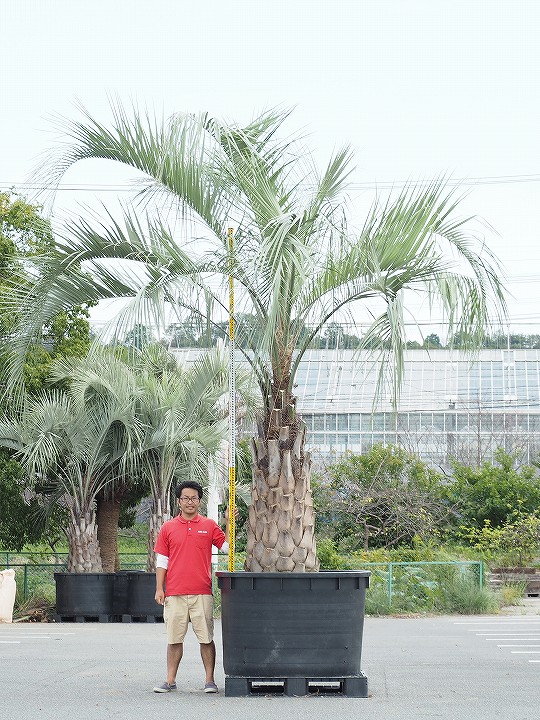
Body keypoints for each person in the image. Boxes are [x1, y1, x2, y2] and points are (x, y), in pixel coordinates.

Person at [152, 480, 232, 694]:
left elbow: (227, 548)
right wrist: (160, 588)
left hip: (202, 592)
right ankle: (170, 680)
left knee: (206, 638)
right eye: (186, 498)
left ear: (199, 501)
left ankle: (209, 681)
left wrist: (228, 523)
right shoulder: (168, 528)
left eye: (194, 498)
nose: (190, 502)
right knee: (174, 639)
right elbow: (162, 561)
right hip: (175, 593)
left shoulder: (208, 525)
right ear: (179, 501)